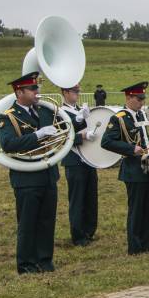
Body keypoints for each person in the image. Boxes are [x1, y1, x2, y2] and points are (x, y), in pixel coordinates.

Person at [0, 72, 60, 274]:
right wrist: (37, 135)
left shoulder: (43, 111)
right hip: (27, 178)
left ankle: (44, 260)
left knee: (47, 220)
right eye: (32, 89)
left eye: (36, 88)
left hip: (48, 174)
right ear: (19, 91)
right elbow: (8, 144)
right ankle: (26, 264)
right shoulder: (8, 117)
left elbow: (64, 128)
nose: (36, 92)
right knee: (28, 222)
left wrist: (81, 121)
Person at [101, 82, 149, 255]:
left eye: (143, 98)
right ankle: (135, 246)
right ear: (128, 98)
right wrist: (131, 149)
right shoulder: (118, 118)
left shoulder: (140, 115)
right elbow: (107, 141)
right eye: (139, 98)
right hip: (133, 169)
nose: (141, 102)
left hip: (148, 168)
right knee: (137, 208)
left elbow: (143, 135)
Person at [60, 84, 97, 246]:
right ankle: (78, 235)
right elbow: (62, 137)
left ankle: (89, 231)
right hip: (74, 160)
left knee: (91, 197)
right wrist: (81, 134)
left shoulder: (80, 110)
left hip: (89, 158)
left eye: (78, 91)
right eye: (74, 92)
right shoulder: (59, 113)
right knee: (77, 199)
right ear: (65, 92)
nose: (77, 94)